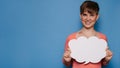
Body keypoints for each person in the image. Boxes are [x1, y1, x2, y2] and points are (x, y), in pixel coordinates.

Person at [63, 0, 112, 68]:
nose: (88, 18)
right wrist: (67, 60)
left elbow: (103, 62)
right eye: (85, 15)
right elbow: (67, 63)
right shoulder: (71, 38)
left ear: (97, 17)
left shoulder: (102, 38)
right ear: (80, 16)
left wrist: (107, 59)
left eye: (91, 15)